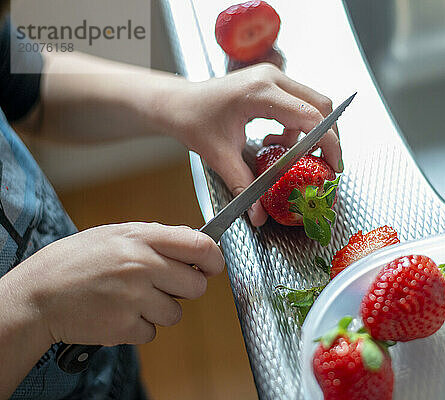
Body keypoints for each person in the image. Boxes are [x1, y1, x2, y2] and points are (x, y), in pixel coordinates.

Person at [0, 9, 343, 400]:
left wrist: (180, 99)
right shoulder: (43, 304)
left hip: (100, 366)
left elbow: (24, 84)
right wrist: (31, 305)